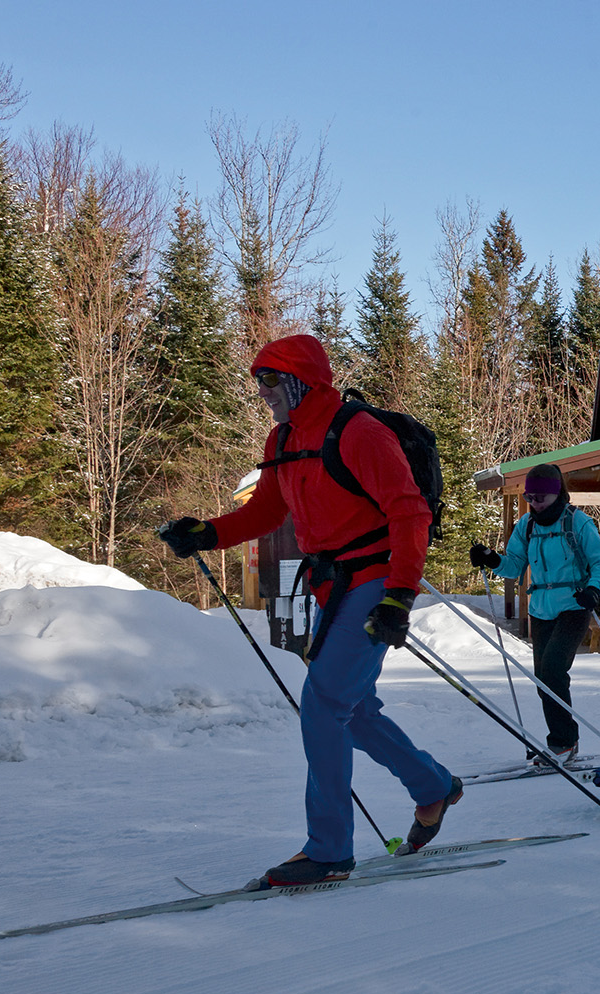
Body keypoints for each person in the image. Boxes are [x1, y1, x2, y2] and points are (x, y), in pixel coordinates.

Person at [159, 333, 460, 888]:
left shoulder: (359, 432)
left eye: (273, 380)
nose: (263, 392)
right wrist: (206, 533)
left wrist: (400, 595)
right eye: (259, 381)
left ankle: (328, 849)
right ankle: (434, 787)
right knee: (354, 710)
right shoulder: (284, 441)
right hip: (334, 587)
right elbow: (267, 512)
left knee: (323, 705)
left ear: (303, 380)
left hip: (376, 579)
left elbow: (409, 512)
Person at [470, 463, 600, 766]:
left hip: (574, 605)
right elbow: (514, 566)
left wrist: (593, 589)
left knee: (553, 671)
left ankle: (563, 743)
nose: (534, 503)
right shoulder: (527, 526)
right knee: (543, 680)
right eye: (530, 497)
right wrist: (491, 558)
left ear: (557, 493)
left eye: (540, 498)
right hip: (541, 609)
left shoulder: (578, 523)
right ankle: (564, 743)